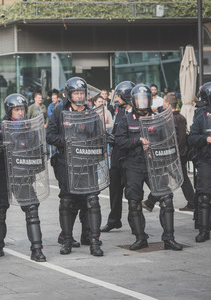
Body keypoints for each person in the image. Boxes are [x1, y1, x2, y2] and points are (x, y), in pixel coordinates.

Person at [115, 84, 183, 251]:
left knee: (166, 199)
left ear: (150, 99)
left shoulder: (158, 117)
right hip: (134, 164)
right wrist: (137, 141)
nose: (142, 102)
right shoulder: (126, 119)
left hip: (155, 164)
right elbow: (120, 142)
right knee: (133, 202)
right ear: (134, 100)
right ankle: (140, 238)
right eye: (139, 99)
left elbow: (168, 138)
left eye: (145, 99)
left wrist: (156, 149)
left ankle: (169, 238)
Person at [47, 77, 104, 257]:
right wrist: (63, 141)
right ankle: (67, 240)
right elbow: (50, 136)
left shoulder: (92, 114)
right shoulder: (59, 112)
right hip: (66, 163)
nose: (79, 96)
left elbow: (99, 139)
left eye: (81, 93)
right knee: (67, 201)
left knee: (92, 200)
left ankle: (94, 242)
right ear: (69, 94)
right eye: (76, 93)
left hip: (87, 163)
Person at [0, 93, 46, 262]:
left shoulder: (30, 130)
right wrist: (1, 149)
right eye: (16, 110)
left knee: (32, 210)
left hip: (23, 176)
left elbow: (39, 153)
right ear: (9, 111)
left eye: (21, 109)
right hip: (3, 175)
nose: (20, 113)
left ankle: (37, 249)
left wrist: (35, 166)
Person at [142, 93, 195, 212]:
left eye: (164, 103)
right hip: (182, 152)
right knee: (176, 178)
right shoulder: (181, 117)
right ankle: (150, 202)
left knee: (173, 178)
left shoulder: (170, 118)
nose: (162, 105)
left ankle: (192, 203)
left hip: (173, 154)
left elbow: (171, 137)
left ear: (168, 104)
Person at [188, 85, 211, 242]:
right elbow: (192, 138)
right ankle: (203, 230)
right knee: (205, 196)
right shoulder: (202, 117)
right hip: (207, 161)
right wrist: (206, 139)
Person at [101, 81, 135, 233]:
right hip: (116, 156)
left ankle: (136, 224)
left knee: (132, 192)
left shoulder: (137, 113)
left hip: (130, 157)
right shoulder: (119, 110)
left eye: (119, 96)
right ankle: (114, 220)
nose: (116, 99)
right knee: (114, 190)